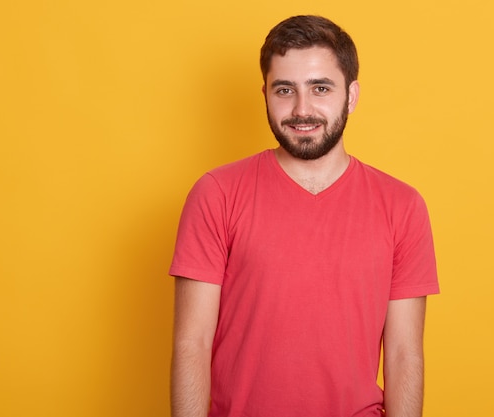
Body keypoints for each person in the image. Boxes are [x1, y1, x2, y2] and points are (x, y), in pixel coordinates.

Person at [169, 15, 439, 417]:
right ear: (265, 94)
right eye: (284, 90)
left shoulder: (402, 206)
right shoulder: (216, 194)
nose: (302, 108)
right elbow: (192, 344)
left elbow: (404, 355)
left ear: (350, 95)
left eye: (320, 88)